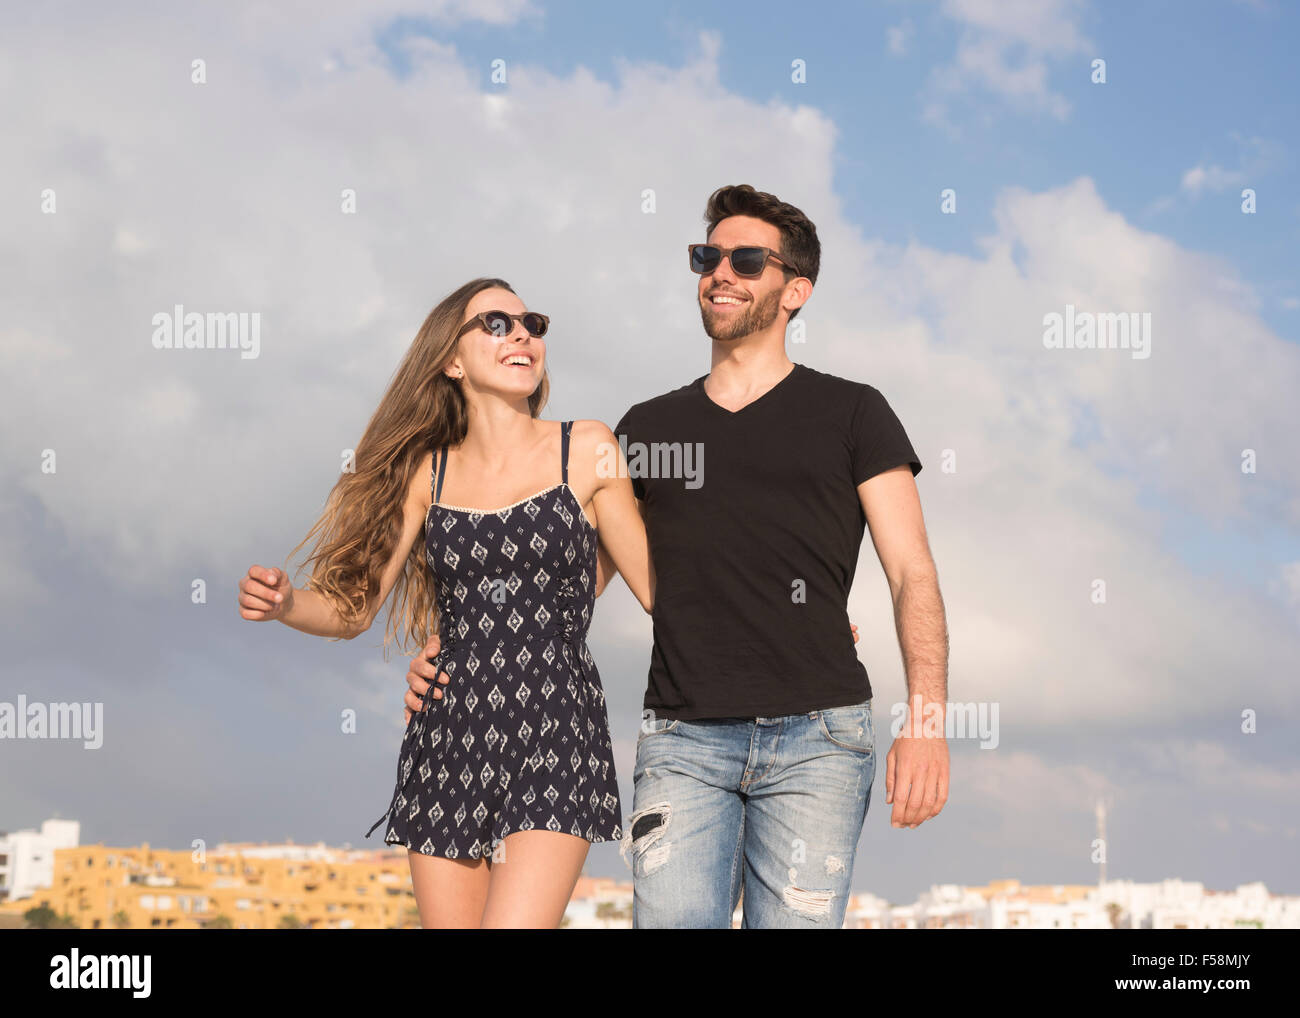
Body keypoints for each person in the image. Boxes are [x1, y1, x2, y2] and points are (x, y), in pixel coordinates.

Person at [406, 185, 949, 928]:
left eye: (746, 260)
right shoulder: (645, 430)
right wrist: (459, 650)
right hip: (682, 742)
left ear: (795, 291)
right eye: (707, 256)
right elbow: (565, 581)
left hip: (819, 738)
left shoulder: (855, 413)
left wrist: (927, 722)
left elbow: (912, 573)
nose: (720, 272)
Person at [237, 277, 653, 928]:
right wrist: (287, 604)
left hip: (557, 725)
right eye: (496, 323)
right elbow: (352, 610)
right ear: (451, 360)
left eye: (532, 324)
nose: (521, 334)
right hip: (448, 733)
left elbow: (659, 589)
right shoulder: (423, 474)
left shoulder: (589, 449)